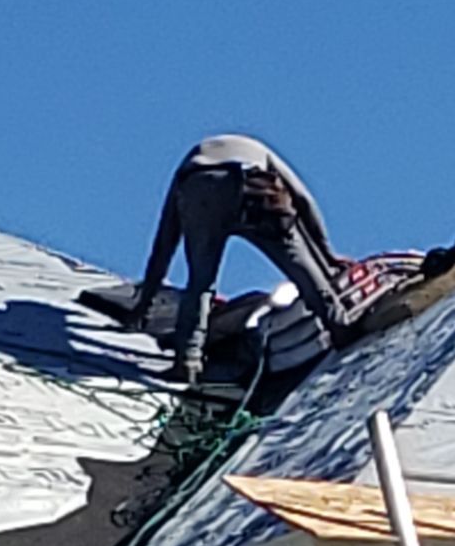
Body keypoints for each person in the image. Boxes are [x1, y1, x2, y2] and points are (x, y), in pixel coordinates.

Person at [130, 135, 355, 382]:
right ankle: (340, 327)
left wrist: (144, 305)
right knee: (299, 266)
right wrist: (327, 255)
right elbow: (304, 202)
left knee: (201, 283)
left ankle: (188, 361)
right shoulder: (260, 151)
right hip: (256, 190)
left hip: (201, 188)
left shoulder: (192, 163)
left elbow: (165, 242)